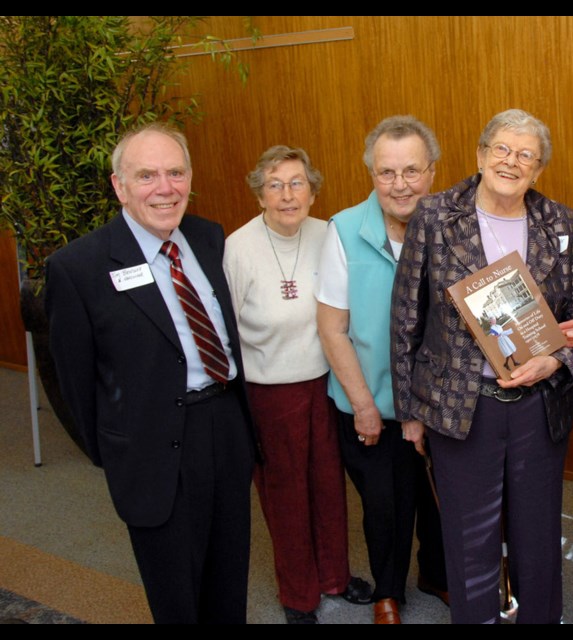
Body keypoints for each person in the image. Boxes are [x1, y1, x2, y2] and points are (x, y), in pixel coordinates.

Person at [391, 109, 573, 624]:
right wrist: (410, 412)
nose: (512, 161)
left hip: (538, 407)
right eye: (502, 149)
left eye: (526, 155)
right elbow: (405, 319)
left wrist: (554, 362)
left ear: (538, 169)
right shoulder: (436, 217)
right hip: (463, 409)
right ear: (481, 154)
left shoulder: (560, 223)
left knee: (537, 536)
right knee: (469, 541)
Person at [45, 123, 258, 623]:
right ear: (119, 186)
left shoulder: (208, 237)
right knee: (175, 591)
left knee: (230, 573)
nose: (165, 188)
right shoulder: (78, 268)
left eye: (175, 172)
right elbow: (72, 383)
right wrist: (116, 452)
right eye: (147, 176)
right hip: (151, 446)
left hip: (224, 425)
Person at [223, 145, 371, 624]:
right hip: (270, 393)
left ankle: (335, 576)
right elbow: (223, 334)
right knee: (285, 497)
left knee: (330, 488)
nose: (288, 195)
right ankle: (299, 595)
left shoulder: (328, 233)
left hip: (325, 386)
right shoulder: (237, 248)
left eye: (297, 183)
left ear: (312, 189)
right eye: (275, 184)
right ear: (260, 193)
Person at [316, 115, 447, 625]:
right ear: (371, 173)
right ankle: (387, 592)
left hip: (438, 403)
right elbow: (332, 329)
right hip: (370, 402)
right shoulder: (345, 229)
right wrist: (365, 406)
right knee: (385, 506)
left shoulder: (452, 226)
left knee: (441, 502)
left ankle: (436, 575)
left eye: (411, 171)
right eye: (386, 172)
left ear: (432, 172)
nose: (400, 184)